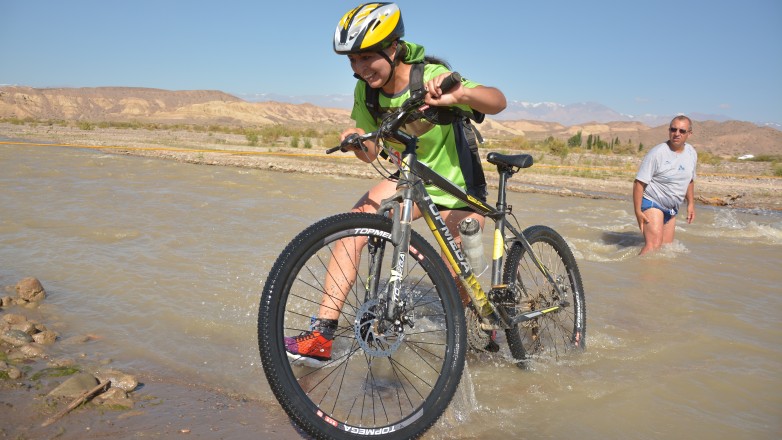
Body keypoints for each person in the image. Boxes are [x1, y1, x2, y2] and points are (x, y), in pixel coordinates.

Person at [284, 2, 507, 364]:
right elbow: (371, 153)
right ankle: (321, 334)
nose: (358, 68)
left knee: (455, 277)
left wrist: (460, 94)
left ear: (392, 48)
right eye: (351, 61)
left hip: (458, 191)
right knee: (355, 224)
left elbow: (498, 101)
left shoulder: (431, 75)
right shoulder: (366, 92)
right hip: (411, 181)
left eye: (365, 58)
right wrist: (357, 136)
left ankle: (467, 323)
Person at [633, 115, 697, 255]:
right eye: (673, 129)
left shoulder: (691, 153)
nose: (677, 134)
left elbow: (690, 180)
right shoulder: (657, 153)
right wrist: (638, 211)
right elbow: (639, 183)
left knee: (666, 249)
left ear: (689, 134)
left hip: (672, 208)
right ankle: (638, 275)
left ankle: (657, 276)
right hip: (653, 202)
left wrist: (691, 204)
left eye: (682, 131)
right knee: (653, 247)